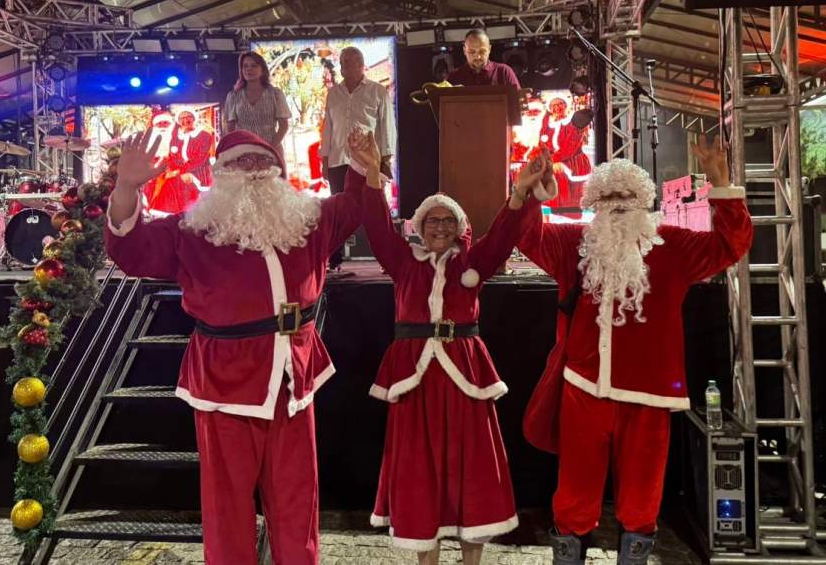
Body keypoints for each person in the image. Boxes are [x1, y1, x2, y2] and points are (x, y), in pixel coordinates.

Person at [105, 128, 367, 565]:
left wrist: (361, 164)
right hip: (225, 381)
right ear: (220, 173)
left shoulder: (307, 221)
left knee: (297, 497)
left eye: (262, 161)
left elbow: (354, 205)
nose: (254, 170)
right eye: (241, 162)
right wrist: (126, 189)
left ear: (278, 170)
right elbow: (131, 251)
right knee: (227, 506)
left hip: (293, 374)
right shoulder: (191, 230)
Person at [516, 138, 753, 565]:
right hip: (584, 387)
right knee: (573, 495)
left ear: (643, 201)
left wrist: (722, 186)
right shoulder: (575, 244)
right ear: (595, 203)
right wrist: (532, 194)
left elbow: (729, 246)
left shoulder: (673, 246)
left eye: (627, 196)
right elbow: (526, 236)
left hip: (649, 396)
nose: (619, 204)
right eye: (608, 196)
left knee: (642, 497)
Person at [350, 130, 557, 565]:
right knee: (418, 469)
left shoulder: (472, 263)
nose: (440, 227)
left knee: (472, 468)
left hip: (465, 377)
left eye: (448, 221)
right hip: (414, 380)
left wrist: (520, 191)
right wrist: (370, 173)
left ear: (460, 228)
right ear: (419, 227)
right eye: (432, 220)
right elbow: (376, 226)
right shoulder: (403, 263)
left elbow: (503, 234)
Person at [320, 46, 397, 269]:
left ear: (362, 65)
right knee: (337, 213)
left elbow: (387, 127)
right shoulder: (333, 93)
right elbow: (328, 128)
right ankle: (334, 261)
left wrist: (385, 160)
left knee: (375, 211)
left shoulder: (377, 90)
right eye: (344, 62)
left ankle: (387, 259)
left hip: (367, 162)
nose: (347, 66)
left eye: (353, 61)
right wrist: (325, 161)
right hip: (338, 160)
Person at [223, 51, 291, 158]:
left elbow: (284, 126)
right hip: (243, 154)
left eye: (254, 66)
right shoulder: (233, 96)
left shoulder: (275, 94)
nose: (249, 69)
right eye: (245, 66)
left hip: (271, 151)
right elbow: (230, 128)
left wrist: (269, 148)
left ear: (262, 70)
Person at [540, 99, 594, 216]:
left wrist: (551, 161)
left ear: (566, 106)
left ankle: (572, 220)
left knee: (571, 201)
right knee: (553, 202)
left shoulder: (574, 122)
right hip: (555, 164)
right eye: (554, 105)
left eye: (560, 104)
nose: (557, 107)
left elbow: (570, 147)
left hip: (573, 164)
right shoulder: (549, 126)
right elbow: (543, 144)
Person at [447, 29, 521, 89]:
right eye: (472, 52)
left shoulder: (504, 72)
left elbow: (519, 100)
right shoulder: (454, 76)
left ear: (489, 49)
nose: (477, 57)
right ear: (464, 51)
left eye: (482, 51)